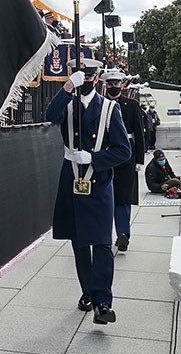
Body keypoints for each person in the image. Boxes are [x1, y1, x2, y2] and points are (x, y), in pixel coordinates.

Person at [46, 59, 131, 324]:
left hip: (99, 182)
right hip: (71, 180)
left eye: (88, 77)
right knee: (80, 242)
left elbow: (123, 151)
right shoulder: (67, 104)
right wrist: (67, 87)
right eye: (80, 77)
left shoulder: (109, 108)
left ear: (96, 79)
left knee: (102, 242)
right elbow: (49, 115)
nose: (85, 81)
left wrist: (94, 158)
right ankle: (88, 293)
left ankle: (103, 301)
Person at [102, 71, 144, 253]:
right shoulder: (100, 103)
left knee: (123, 197)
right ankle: (103, 235)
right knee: (104, 196)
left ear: (122, 85)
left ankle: (123, 234)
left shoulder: (132, 105)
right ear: (105, 85)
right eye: (110, 84)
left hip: (126, 155)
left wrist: (140, 159)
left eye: (116, 83)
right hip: (104, 154)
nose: (113, 86)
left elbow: (140, 133)